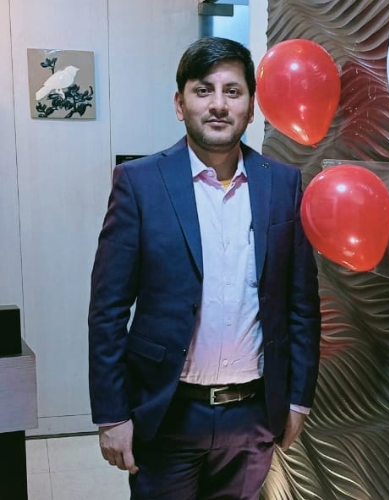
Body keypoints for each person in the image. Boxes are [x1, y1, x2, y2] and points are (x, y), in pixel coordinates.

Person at [88, 36, 320, 500]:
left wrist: (299, 399)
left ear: (251, 108)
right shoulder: (140, 183)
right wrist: (112, 414)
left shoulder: (283, 184)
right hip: (167, 411)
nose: (218, 104)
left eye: (233, 91)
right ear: (180, 104)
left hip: (253, 416)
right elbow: (108, 310)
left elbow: (301, 304)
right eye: (203, 90)